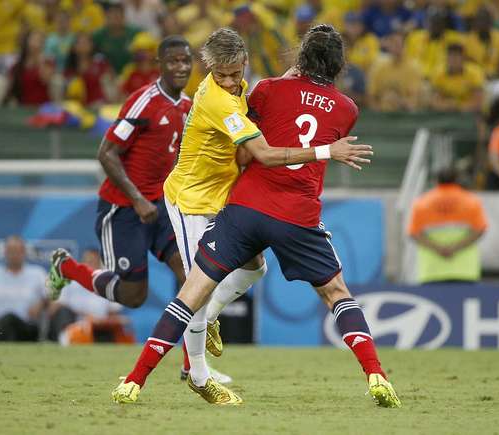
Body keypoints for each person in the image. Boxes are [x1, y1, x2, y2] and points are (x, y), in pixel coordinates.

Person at [110, 27, 373, 405]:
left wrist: (301, 69)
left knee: (255, 267)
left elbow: (283, 85)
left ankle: (211, 319)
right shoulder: (220, 102)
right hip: (191, 200)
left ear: (243, 63)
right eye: (222, 75)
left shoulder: (244, 87)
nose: (231, 81)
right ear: (209, 69)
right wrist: (325, 151)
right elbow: (264, 155)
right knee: (193, 289)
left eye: (236, 73)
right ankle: (198, 377)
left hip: (221, 196)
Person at [48, 36, 192, 315]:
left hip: (161, 206)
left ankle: (193, 358)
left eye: (186, 60)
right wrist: (137, 199)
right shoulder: (144, 102)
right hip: (124, 208)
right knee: (133, 295)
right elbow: (106, 153)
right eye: (173, 60)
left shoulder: (186, 105)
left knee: (190, 275)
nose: (181, 66)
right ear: (159, 64)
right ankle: (66, 267)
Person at [408, 167, 488, 283]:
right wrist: (454, 248)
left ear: (436, 181)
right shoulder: (471, 201)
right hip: (464, 270)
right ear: (457, 179)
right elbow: (479, 230)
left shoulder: (422, 203)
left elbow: (414, 233)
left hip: (431, 270)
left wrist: (439, 249)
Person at [48, 248, 133, 345]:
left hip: (99, 325)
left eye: (94, 261)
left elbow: (113, 312)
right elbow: (57, 307)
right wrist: (86, 316)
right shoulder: (69, 280)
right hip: (74, 322)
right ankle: (64, 340)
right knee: (63, 313)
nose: (90, 264)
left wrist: (103, 320)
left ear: (100, 263)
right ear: (82, 262)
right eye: (88, 261)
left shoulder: (109, 282)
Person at [0, 236, 47, 341]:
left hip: (26, 326)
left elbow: (50, 296)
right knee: (6, 321)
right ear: (5, 252)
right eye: (10, 251)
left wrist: (40, 304)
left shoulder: (37, 273)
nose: (14, 255)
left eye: (17, 251)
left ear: (24, 252)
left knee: (10, 319)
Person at [367, 31, 425, 112]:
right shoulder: (379, 67)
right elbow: (371, 96)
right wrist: (378, 108)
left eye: (398, 44)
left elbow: (413, 103)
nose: (395, 47)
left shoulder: (413, 68)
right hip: (383, 115)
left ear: (405, 46)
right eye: (392, 43)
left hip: (405, 116)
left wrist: (397, 101)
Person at [428, 43, 484, 112]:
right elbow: (434, 101)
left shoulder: (475, 72)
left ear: (463, 59)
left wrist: (460, 107)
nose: (453, 61)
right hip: (446, 111)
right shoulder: (438, 72)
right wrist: (446, 106)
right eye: (450, 56)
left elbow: (478, 102)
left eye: (456, 57)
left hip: (469, 112)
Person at [5, 31, 53, 106]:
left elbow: (45, 80)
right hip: (23, 108)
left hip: (43, 108)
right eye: (34, 39)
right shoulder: (17, 66)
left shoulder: (47, 62)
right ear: (26, 42)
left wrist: (40, 60)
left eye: (40, 41)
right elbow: (10, 90)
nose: (36, 43)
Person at [92, 3, 140, 75]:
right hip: (106, 76)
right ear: (106, 17)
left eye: (118, 15)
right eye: (112, 15)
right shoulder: (98, 36)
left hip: (132, 74)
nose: (115, 17)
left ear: (123, 16)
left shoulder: (135, 33)